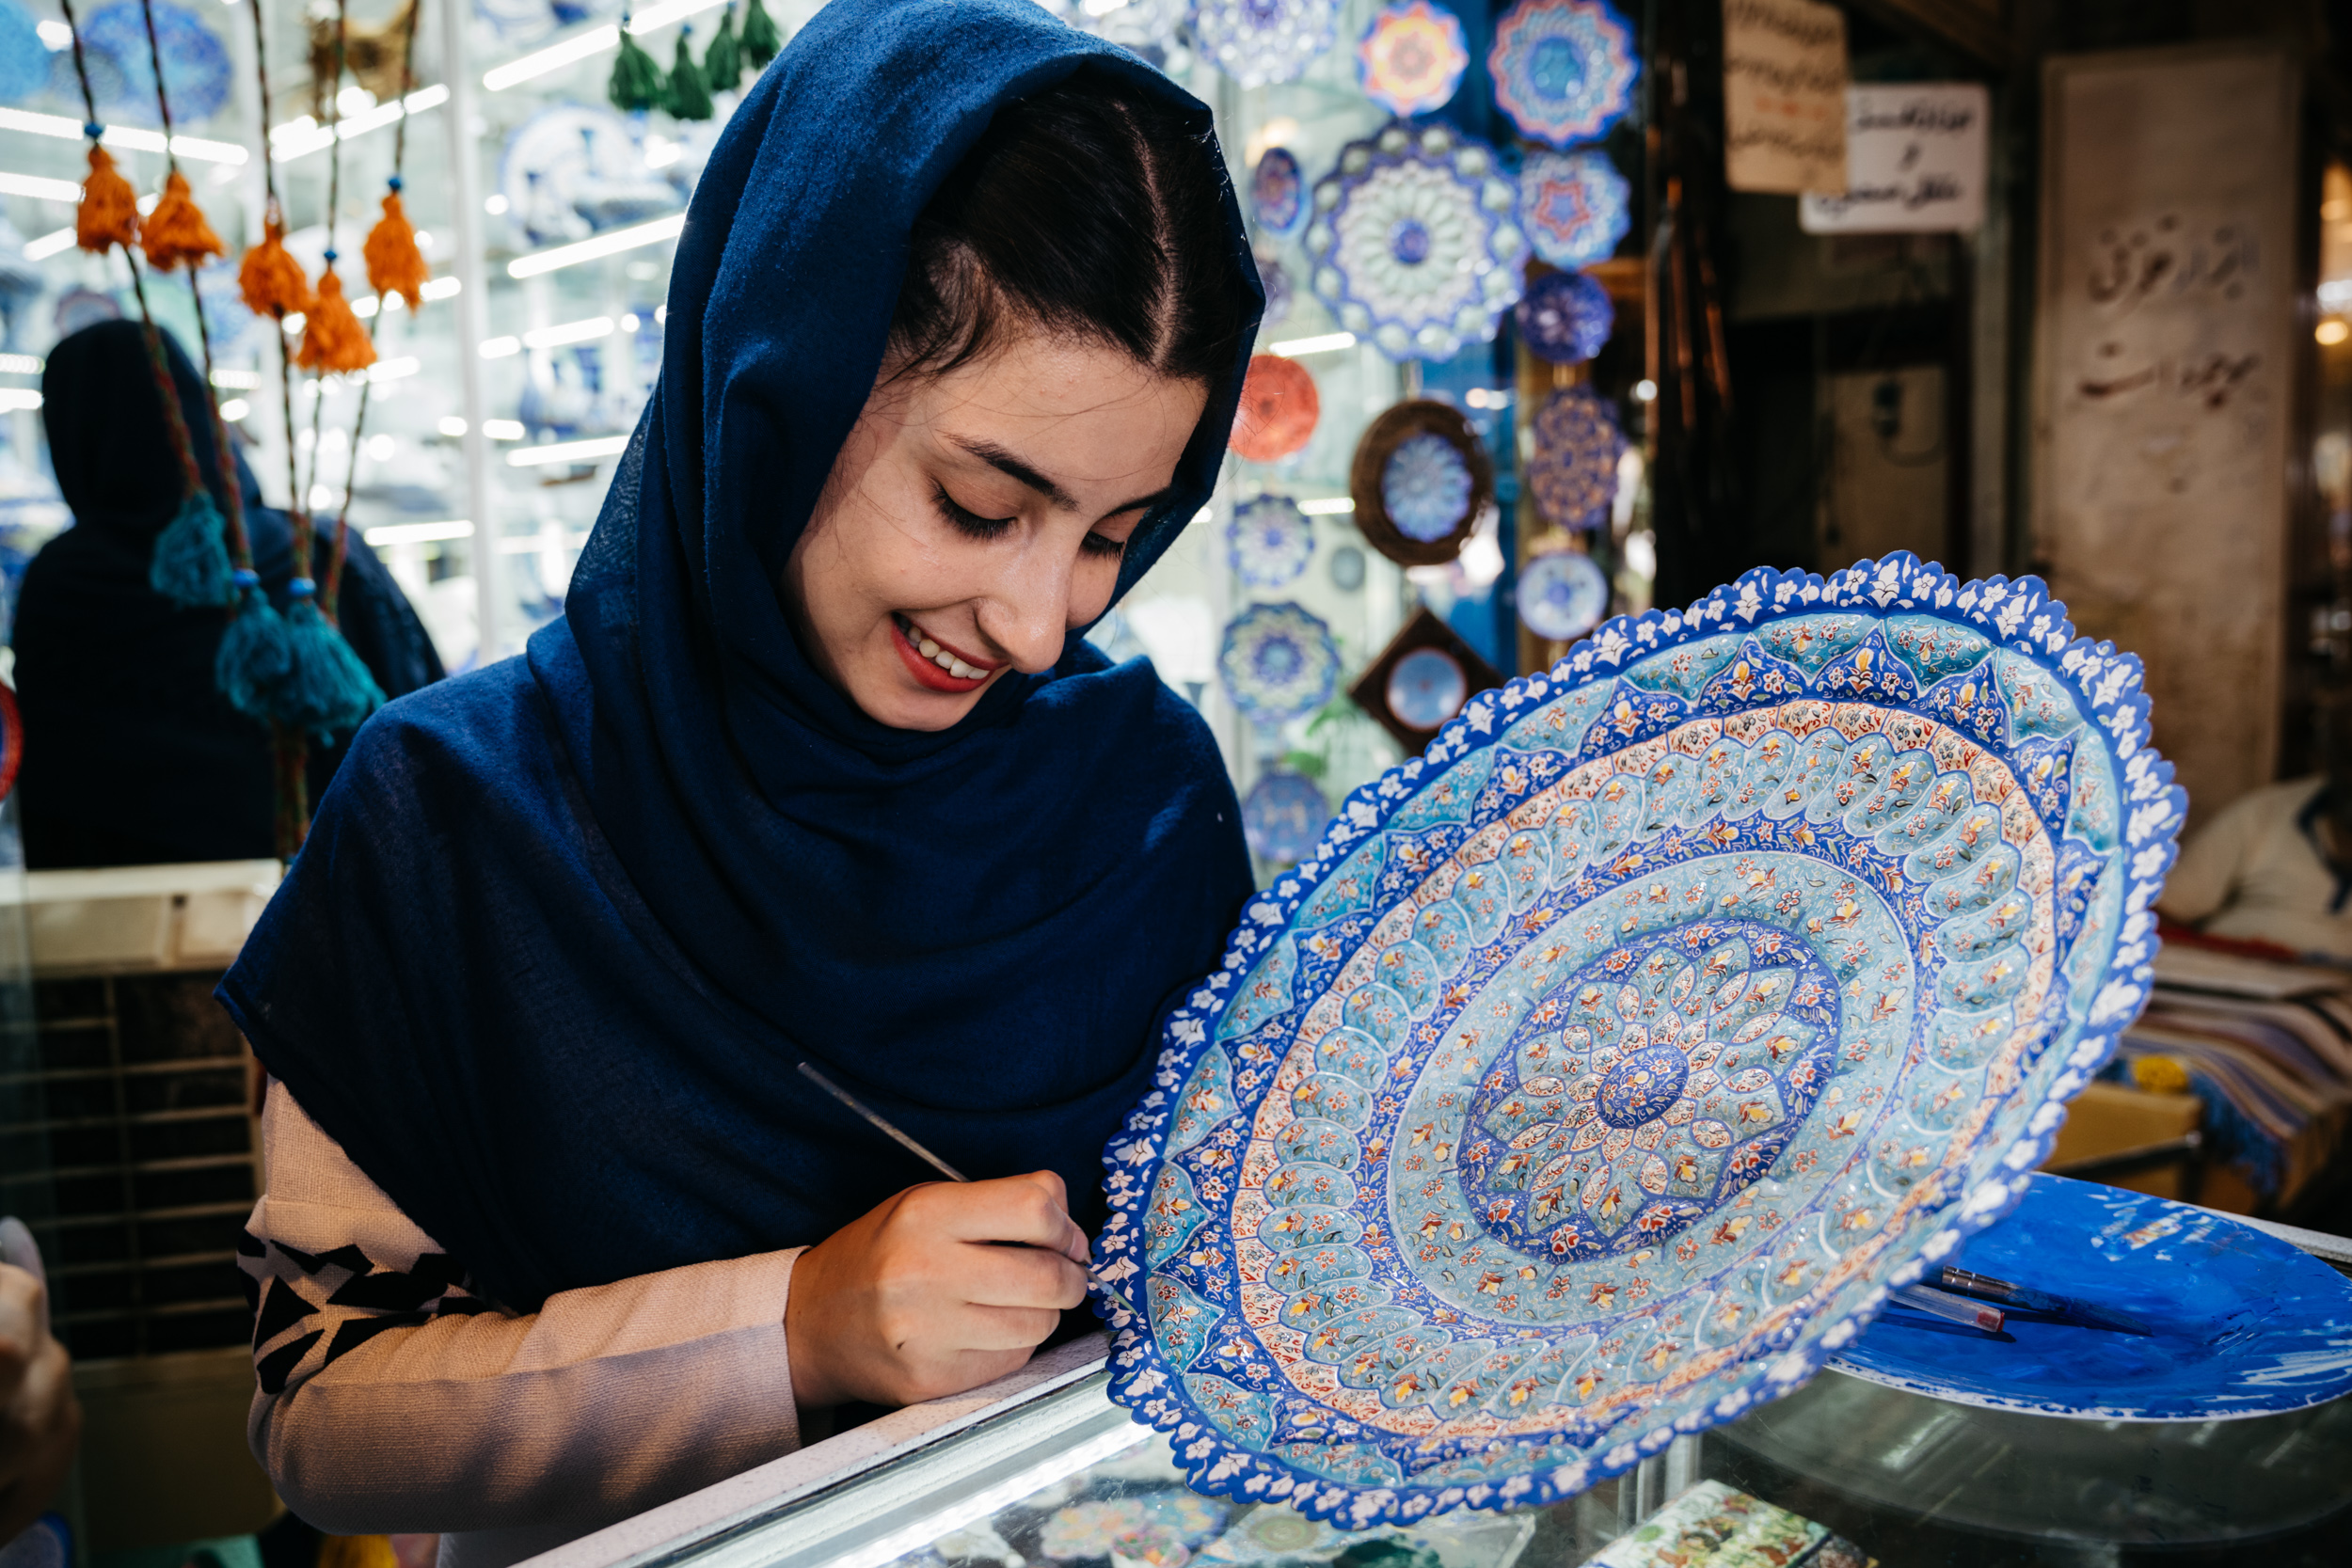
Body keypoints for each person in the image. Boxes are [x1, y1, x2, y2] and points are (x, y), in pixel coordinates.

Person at [218, 0, 1260, 1560]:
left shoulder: (1143, 796)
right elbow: (322, 1414)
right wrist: (793, 1325)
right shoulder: (453, 818)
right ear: (774, 388)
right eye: (984, 504)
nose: (1042, 626)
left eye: (1116, 534)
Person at [12, 321, 444, 869]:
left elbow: (55, 804)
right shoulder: (318, 551)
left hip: (144, 932)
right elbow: (425, 711)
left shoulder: (63, 587)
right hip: (341, 894)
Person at [2160, 693, 2352, 964]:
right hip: (2227, 981)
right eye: (2347, 758)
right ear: (2324, 760)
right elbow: (2168, 910)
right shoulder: (2264, 814)